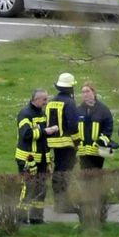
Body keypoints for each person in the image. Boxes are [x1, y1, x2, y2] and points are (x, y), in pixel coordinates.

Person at [15, 89, 52, 225]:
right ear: (36, 100)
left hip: (41, 159)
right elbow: (26, 134)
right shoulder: (25, 114)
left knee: (41, 189)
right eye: (44, 100)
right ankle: (21, 218)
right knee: (27, 188)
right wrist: (44, 131)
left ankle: (37, 218)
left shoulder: (41, 114)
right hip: (27, 159)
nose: (46, 103)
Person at [45, 72, 81, 212]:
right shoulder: (70, 103)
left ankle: (59, 203)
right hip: (67, 144)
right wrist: (77, 142)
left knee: (58, 172)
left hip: (53, 143)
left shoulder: (51, 102)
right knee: (65, 173)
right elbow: (73, 125)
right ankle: (64, 205)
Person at [75, 82, 114, 171]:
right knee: (84, 176)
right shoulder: (79, 110)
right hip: (83, 151)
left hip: (97, 151)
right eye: (83, 92)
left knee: (96, 176)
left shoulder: (103, 109)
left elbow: (108, 129)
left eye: (87, 91)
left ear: (94, 92)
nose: (85, 94)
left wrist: (99, 143)